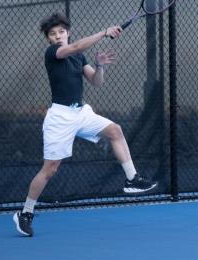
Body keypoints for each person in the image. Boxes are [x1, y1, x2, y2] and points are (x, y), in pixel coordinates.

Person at [13, 13, 157, 237]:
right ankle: (26, 212)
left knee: (115, 130)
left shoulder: (79, 58)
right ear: (49, 39)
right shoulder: (53, 53)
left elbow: (96, 82)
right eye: (53, 34)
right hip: (60, 118)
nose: (58, 36)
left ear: (68, 32)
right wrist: (104, 32)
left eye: (61, 31)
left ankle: (132, 179)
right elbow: (75, 47)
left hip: (81, 112)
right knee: (50, 169)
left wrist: (99, 66)